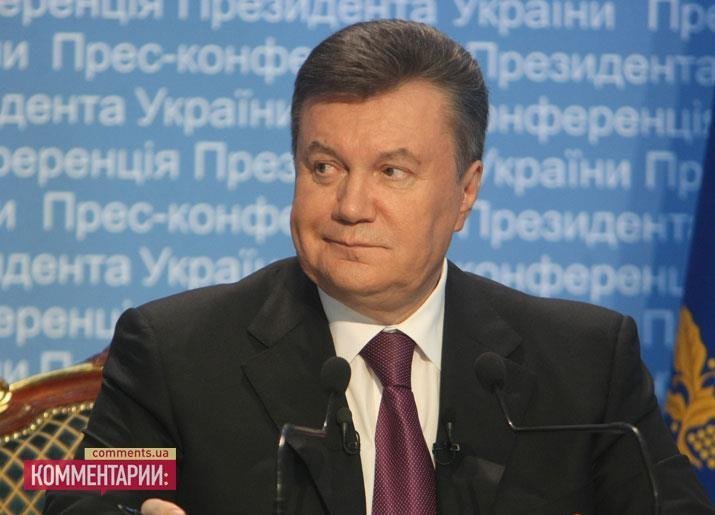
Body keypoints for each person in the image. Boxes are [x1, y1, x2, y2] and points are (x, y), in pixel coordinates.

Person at [44, 20, 713, 515]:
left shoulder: (585, 362)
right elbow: (78, 493)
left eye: (392, 171)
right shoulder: (176, 350)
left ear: (466, 191)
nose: (350, 206)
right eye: (324, 167)